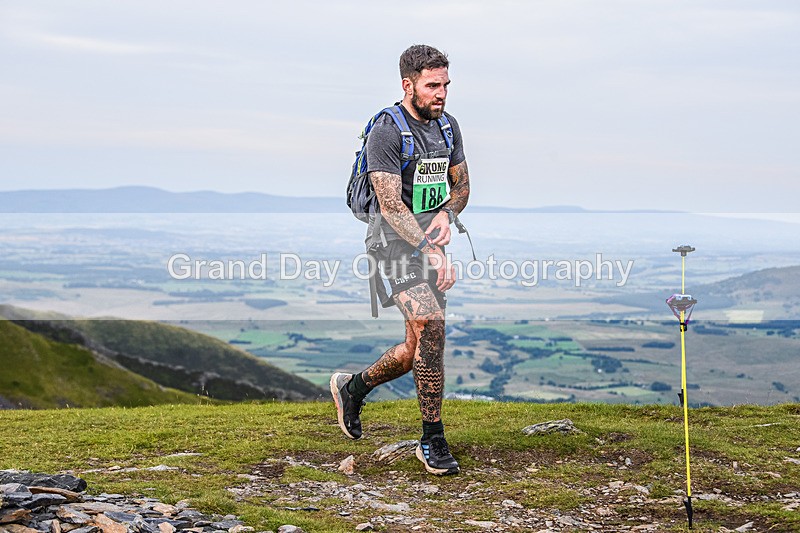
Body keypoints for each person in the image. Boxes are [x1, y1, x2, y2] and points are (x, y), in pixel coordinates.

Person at [331, 44, 471, 475]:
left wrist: (448, 215)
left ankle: (352, 388)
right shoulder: (387, 132)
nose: (441, 93)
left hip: (431, 244)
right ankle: (433, 439)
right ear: (408, 84)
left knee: (417, 347)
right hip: (391, 246)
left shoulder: (448, 128)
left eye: (445, 84)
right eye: (432, 85)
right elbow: (390, 206)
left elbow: (462, 187)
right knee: (430, 325)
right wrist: (430, 249)